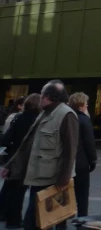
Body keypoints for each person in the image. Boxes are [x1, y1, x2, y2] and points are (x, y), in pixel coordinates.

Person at [2, 80, 78, 230]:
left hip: (52, 179)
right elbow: (27, 145)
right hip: (38, 176)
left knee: (38, 221)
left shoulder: (66, 115)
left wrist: (63, 180)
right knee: (41, 221)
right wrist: (11, 165)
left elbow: (70, 150)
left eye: (42, 95)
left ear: (48, 97)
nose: (40, 98)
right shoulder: (43, 114)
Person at [0, 94, 41, 229]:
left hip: (14, 158)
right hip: (29, 159)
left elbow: (5, 139)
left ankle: (8, 216)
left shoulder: (19, 118)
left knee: (12, 188)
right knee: (21, 190)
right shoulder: (40, 120)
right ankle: (15, 220)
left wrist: (13, 149)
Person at [68, 92, 97, 219]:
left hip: (67, 162)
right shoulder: (84, 120)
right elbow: (89, 143)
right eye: (86, 104)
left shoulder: (66, 117)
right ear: (81, 106)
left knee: (66, 194)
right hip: (81, 163)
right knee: (82, 194)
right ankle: (82, 220)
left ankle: (61, 222)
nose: (87, 106)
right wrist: (92, 160)